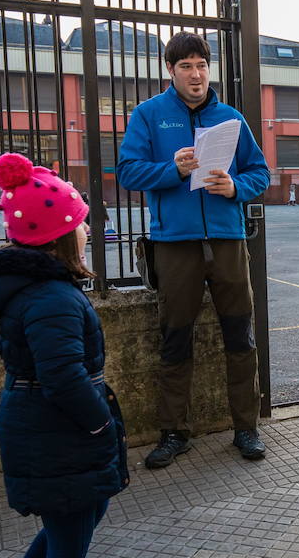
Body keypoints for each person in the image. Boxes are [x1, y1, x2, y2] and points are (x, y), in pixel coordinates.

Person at [0, 153, 127, 558]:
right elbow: (63, 377)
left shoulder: (45, 289)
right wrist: (100, 423)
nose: (88, 229)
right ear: (59, 236)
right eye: (81, 222)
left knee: (79, 518)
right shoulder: (52, 298)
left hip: (47, 428)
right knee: (70, 532)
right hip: (57, 434)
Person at [117, 31, 270, 466]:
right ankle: (173, 432)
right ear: (170, 70)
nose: (196, 74)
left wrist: (235, 186)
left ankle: (246, 428)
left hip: (227, 240)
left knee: (240, 335)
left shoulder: (230, 118)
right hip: (174, 244)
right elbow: (128, 172)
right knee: (176, 337)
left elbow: (260, 172)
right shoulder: (149, 115)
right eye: (186, 66)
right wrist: (173, 170)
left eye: (201, 65)